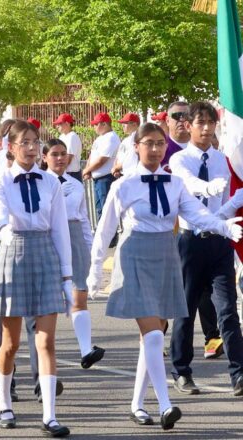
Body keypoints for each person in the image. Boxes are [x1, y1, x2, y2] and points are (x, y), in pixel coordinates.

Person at [88, 122, 242, 430]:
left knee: (152, 338)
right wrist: (93, 272)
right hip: (135, 255)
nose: (156, 149)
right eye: (149, 143)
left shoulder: (174, 184)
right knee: (155, 335)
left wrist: (223, 226)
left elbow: (194, 214)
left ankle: (136, 404)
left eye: (160, 143)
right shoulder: (124, 185)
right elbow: (104, 229)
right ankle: (165, 404)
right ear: (137, 147)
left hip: (166, 254)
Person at [0, 120, 72, 437]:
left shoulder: (52, 182)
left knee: (46, 341)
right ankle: (4, 400)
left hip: (44, 252)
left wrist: (67, 276)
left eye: (36, 142)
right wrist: (6, 230)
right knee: (10, 342)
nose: (32, 148)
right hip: (12, 249)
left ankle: (49, 415)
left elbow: (60, 229)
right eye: (25, 142)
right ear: (10, 147)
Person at [168, 102, 243, 397]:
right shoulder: (180, 160)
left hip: (219, 242)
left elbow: (229, 196)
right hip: (191, 242)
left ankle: (239, 373)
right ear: (188, 125)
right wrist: (207, 188)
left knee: (227, 310)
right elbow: (189, 185)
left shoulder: (223, 160)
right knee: (185, 309)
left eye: (211, 123)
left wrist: (226, 209)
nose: (206, 128)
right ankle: (182, 371)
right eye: (200, 123)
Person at [43, 139, 106, 368]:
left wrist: (90, 250)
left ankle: (86, 349)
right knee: (48, 300)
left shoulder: (76, 184)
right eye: (54, 154)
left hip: (75, 236)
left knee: (80, 292)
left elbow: (83, 217)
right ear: (45, 158)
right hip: (50, 235)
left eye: (63, 154)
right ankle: (43, 353)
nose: (60, 158)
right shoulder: (41, 183)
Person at [83, 112, 120, 219]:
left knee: (106, 211)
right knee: (100, 210)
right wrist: (88, 169)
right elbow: (92, 155)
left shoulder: (111, 137)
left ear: (104, 124)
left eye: (96, 124)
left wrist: (86, 170)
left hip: (106, 178)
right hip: (98, 178)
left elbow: (102, 159)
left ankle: (109, 236)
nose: (94, 127)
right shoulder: (100, 138)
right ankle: (102, 235)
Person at [53, 113, 83, 181]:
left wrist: (59, 171)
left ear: (67, 123)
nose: (57, 126)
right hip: (64, 172)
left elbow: (68, 158)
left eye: (60, 124)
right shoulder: (62, 136)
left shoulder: (72, 136)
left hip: (72, 174)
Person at [113, 113, 141, 178]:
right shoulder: (126, 139)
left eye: (125, 123)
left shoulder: (137, 138)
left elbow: (130, 158)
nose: (123, 125)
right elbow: (118, 156)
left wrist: (116, 168)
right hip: (122, 173)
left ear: (134, 124)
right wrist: (115, 168)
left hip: (132, 175)